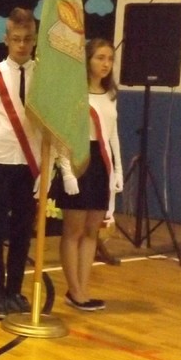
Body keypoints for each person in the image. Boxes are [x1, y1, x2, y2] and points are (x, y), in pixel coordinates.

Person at [0, 7, 44, 319]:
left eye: (27, 39)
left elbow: (49, 127)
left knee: (22, 232)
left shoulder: (44, 75)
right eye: (16, 38)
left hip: (30, 164)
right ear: (6, 39)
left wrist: (46, 169)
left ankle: (14, 290)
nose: (22, 45)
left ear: (35, 39)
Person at [57, 38, 124, 310]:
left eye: (110, 59)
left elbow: (112, 134)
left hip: (101, 162)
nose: (106, 64)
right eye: (100, 58)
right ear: (87, 60)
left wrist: (117, 170)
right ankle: (74, 290)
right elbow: (63, 134)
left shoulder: (110, 94)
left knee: (91, 232)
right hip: (78, 159)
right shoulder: (74, 93)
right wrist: (67, 172)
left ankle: (84, 290)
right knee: (73, 231)